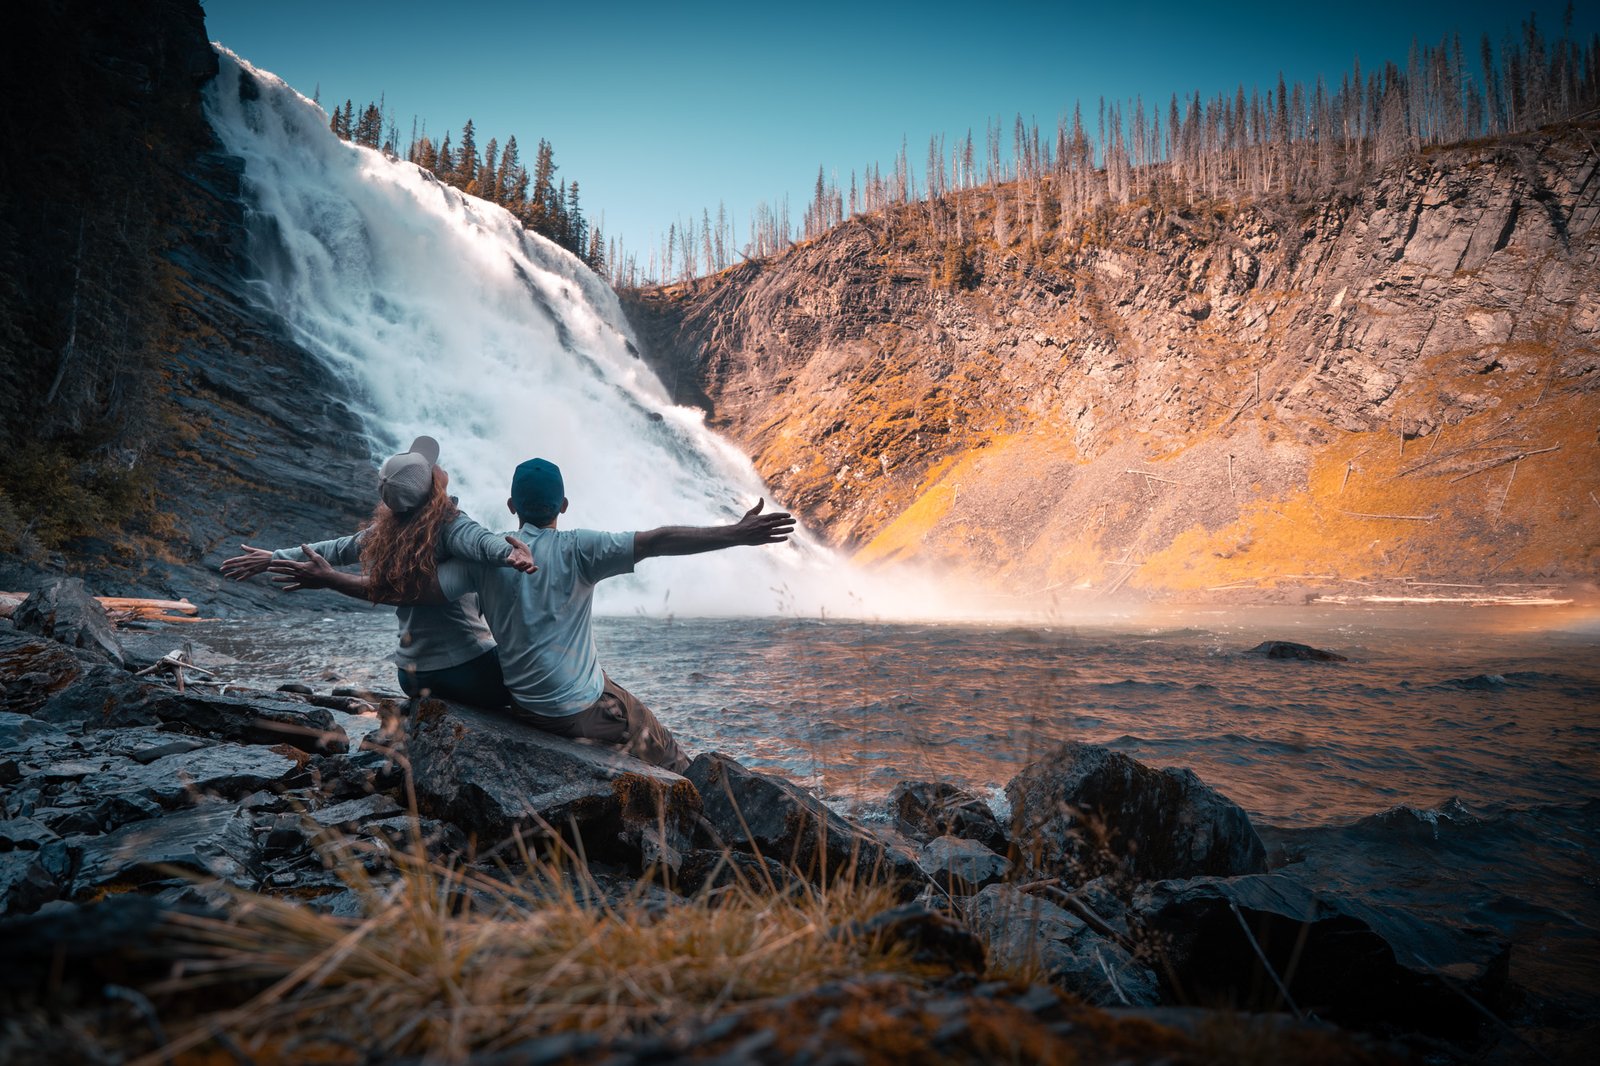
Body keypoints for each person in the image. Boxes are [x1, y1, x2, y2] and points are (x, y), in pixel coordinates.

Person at [268, 457, 796, 772]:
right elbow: (658, 540)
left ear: (512, 505)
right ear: (563, 505)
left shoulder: (482, 559)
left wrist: (327, 578)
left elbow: (406, 592)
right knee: (669, 752)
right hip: (576, 707)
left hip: (524, 705)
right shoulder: (582, 549)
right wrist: (735, 534)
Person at [222, 436, 536, 707]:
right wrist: (511, 553)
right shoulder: (449, 524)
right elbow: (480, 542)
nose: (439, 466)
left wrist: (273, 557)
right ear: (432, 484)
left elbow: (336, 548)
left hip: (411, 675)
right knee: (536, 680)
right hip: (463, 669)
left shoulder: (388, 528)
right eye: (431, 467)